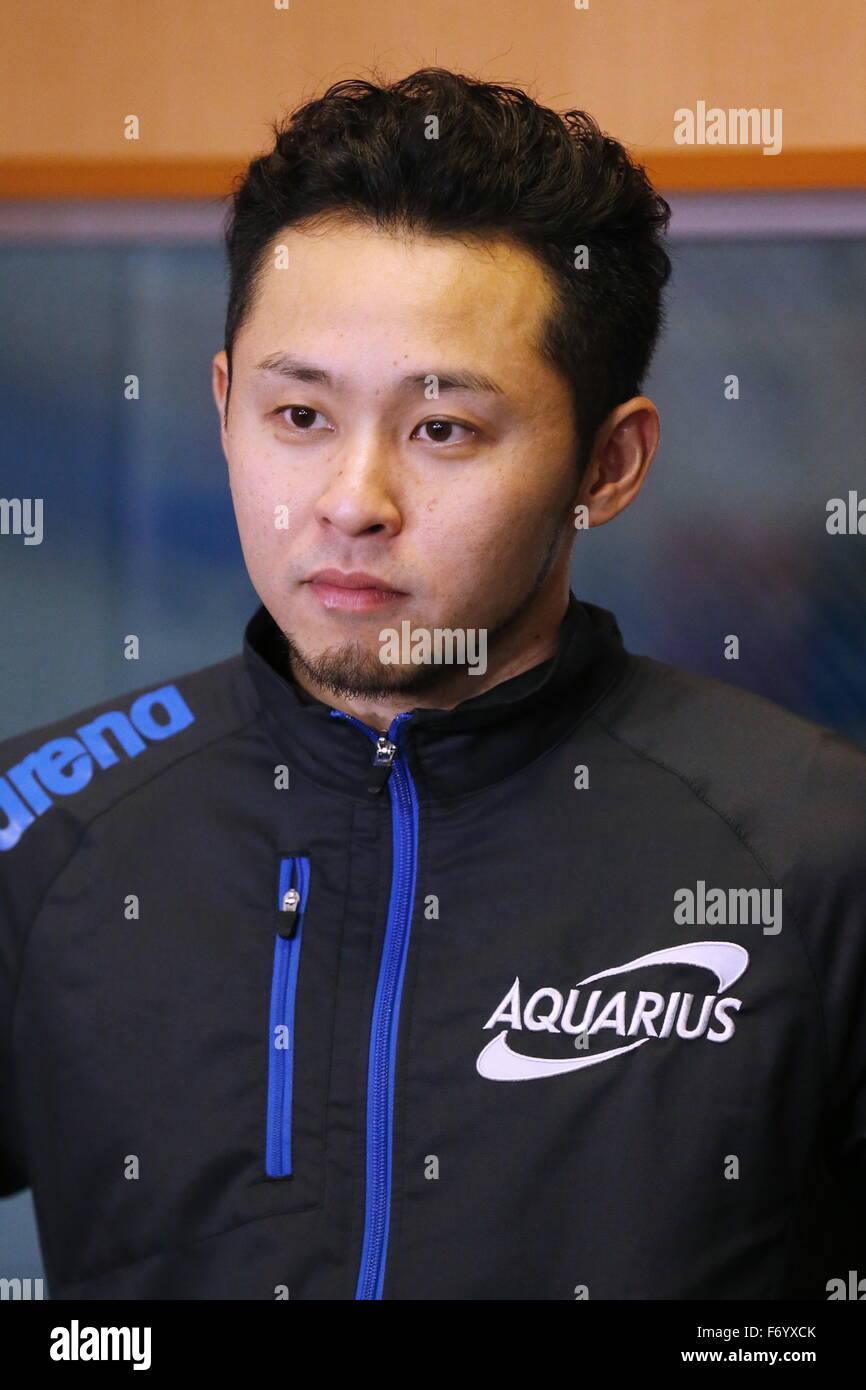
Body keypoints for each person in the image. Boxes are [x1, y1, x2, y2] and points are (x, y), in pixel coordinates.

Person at [1, 67, 864, 1301]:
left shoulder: (814, 850)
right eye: (296, 412)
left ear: (607, 464)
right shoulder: (42, 829)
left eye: (443, 430)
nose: (352, 501)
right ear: (222, 405)